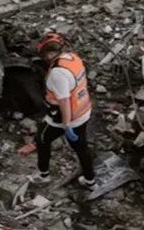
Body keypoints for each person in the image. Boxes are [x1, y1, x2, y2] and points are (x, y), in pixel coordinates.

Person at [29, 33, 95, 189]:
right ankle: (90, 181)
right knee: (81, 147)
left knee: (42, 139)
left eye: (45, 55)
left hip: (65, 117)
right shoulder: (73, 58)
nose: (45, 58)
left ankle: (43, 175)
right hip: (83, 110)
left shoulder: (58, 73)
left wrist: (66, 125)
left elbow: (64, 100)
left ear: (49, 53)